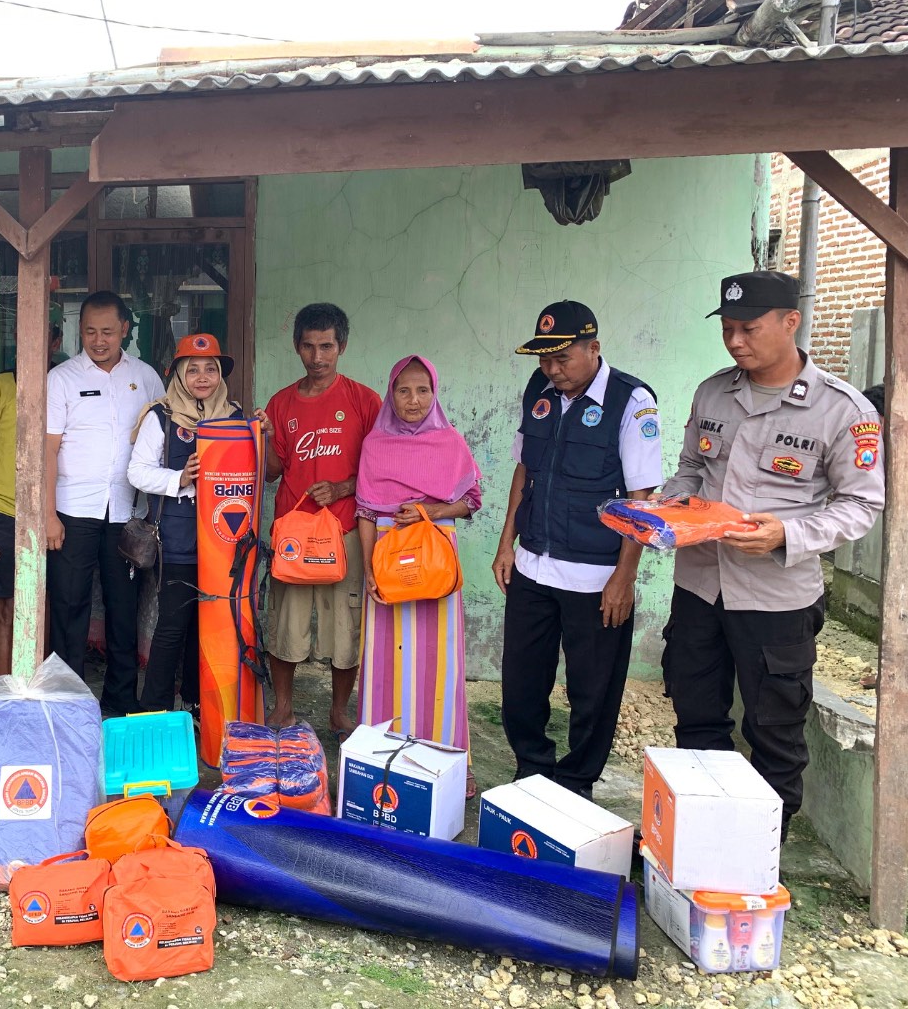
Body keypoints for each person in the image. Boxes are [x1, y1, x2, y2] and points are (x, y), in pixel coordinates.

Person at [660, 271, 883, 838]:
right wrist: (669, 507)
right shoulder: (713, 392)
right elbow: (691, 469)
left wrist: (787, 534)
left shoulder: (842, 410)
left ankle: (760, 858)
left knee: (774, 732)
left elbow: (861, 504)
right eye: (727, 329)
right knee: (697, 718)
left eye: (749, 329)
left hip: (776, 600)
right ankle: (701, 843)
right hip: (699, 587)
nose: (735, 341)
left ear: (790, 322)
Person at [492, 300, 662, 801]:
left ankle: (576, 783)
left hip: (596, 578)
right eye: (544, 359)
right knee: (522, 683)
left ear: (594, 349)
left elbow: (641, 499)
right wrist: (506, 544)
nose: (552, 369)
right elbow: (525, 470)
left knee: (593, 691)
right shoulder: (539, 392)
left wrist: (624, 578)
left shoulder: (631, 401)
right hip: (532, 567)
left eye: (562, 358)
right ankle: (531, 769)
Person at [356, 355, 483, 793]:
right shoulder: (375, 444)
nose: (413, 400)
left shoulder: (450, 442)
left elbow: (471, 500)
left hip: (435, 559)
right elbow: (365, 512)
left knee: (441, 664)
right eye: (404, 390)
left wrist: (430, 509)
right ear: (391, 394)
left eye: (423, 390)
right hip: (388, 558)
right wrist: (369, 569)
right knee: (383, 664)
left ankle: (448, 763)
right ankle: (380, 762)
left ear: (435, 393)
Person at [263, 303, 381, 738]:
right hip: (294, 530)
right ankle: (283, 709)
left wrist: (343, 488)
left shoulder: (365, 401)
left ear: (342, 347)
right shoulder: (281, 403)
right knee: (285, 624)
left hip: (345, 530)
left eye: (327, 346)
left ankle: (338, 713)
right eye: (309, 347)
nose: (318, 357)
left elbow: (380, 469)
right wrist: (266, 438)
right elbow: (273, 471)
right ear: (297, 347)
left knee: (345, 629)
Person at [46, 291, 165, 716]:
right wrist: (47, 514)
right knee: (68, 605)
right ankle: (69, 702)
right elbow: (48, 449)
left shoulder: (146, 377)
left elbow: (163, 438)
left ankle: (120, 701)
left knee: (123, 608)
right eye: (90, 332)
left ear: (125, 331)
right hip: (72, 511)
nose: (99, 340)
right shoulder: (61, 378)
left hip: (127, 514)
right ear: (80, 331)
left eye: (108, 332)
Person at [127, 334, 243, 713]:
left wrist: (260, 435)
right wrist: (180, 478)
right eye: (192, 370)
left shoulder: (235, 418)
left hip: (223, 541)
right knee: (173, 626)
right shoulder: (161, 417)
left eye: (211, 369)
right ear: (177, 375)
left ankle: (197, 706)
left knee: (208, 627)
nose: (202, 377)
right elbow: (137, 472)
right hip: (177, 540)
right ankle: (154, 711)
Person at [0, 324, 64, 677]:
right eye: (23, 337)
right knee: (5, 608)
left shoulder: (63, 385)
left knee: (44, 607)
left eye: (42, 338)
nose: (31, 345)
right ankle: (4, 691)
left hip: (53, 514)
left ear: (55, 342)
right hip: (3, 512)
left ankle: (36, 686)